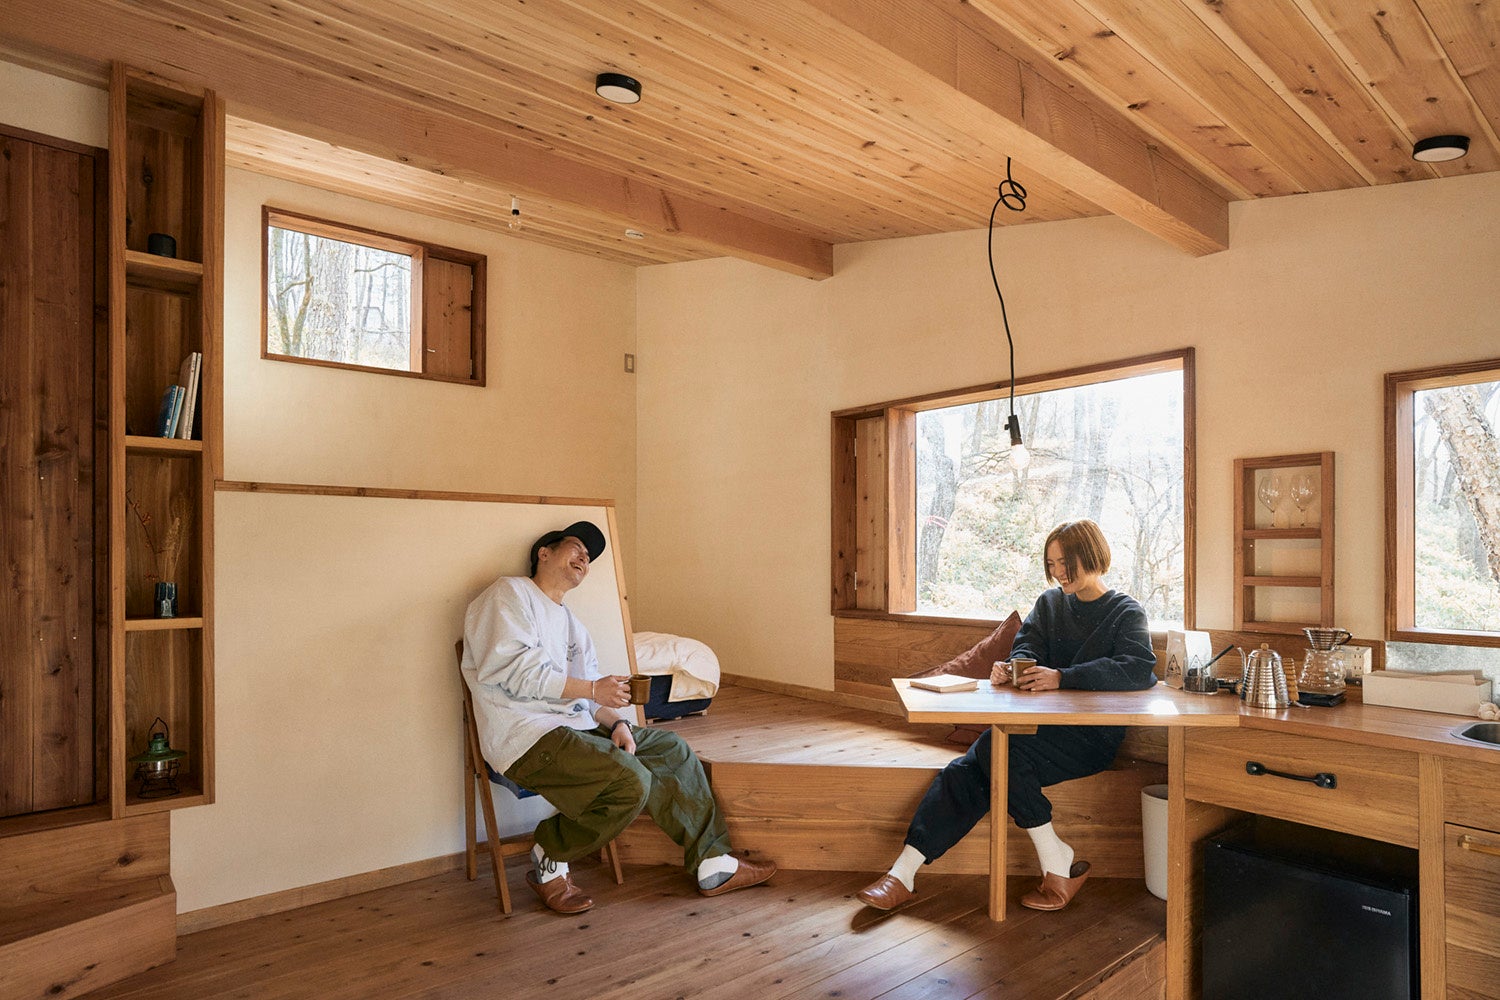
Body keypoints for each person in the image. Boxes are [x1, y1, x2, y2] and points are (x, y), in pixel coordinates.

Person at [462, 520, 775, 914]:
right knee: (630, 781)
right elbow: (515, 673)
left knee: (670, 749)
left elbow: (590, 696)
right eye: (576, 547)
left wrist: (620, 723)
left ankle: (713, 864)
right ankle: (550, 854)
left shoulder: (573, 626)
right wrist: (593, 690)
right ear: (544, 553)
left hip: (576, 730)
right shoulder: (509, 594)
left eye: (588, 557)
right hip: (525, 736)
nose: (584, 558)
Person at [856, 519, 1156, 913]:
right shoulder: (1050, 604)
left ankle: (1051, 859)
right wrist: (1011, 667)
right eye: (1051, 564)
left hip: (1091, 738)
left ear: (1092, 556)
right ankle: (904, 873)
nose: (1058, 572)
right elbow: (1027, 645)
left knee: (989, 753)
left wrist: (1063, 677)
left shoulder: (1125, 611)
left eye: (1065, 563)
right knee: (973, 766)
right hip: (1039, 730)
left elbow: (1138, 668)